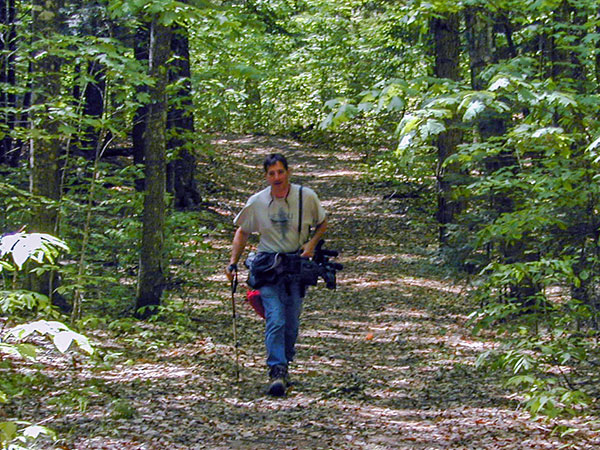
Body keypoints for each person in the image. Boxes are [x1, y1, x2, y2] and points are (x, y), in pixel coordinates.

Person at [225, 153, 328, 396]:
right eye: (271, 173)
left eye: (280, 172)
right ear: (266, 176)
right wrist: (233, 263)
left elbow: (322, 223)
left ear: (288, 172)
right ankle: (277, 370)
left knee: (291, 322)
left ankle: (285, 362)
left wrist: (311, 245)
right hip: (267, 267)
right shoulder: (257, 201)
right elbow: (242, 232)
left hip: (296, 266)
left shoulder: (307, 197)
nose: (277, 177)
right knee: (276, 318)